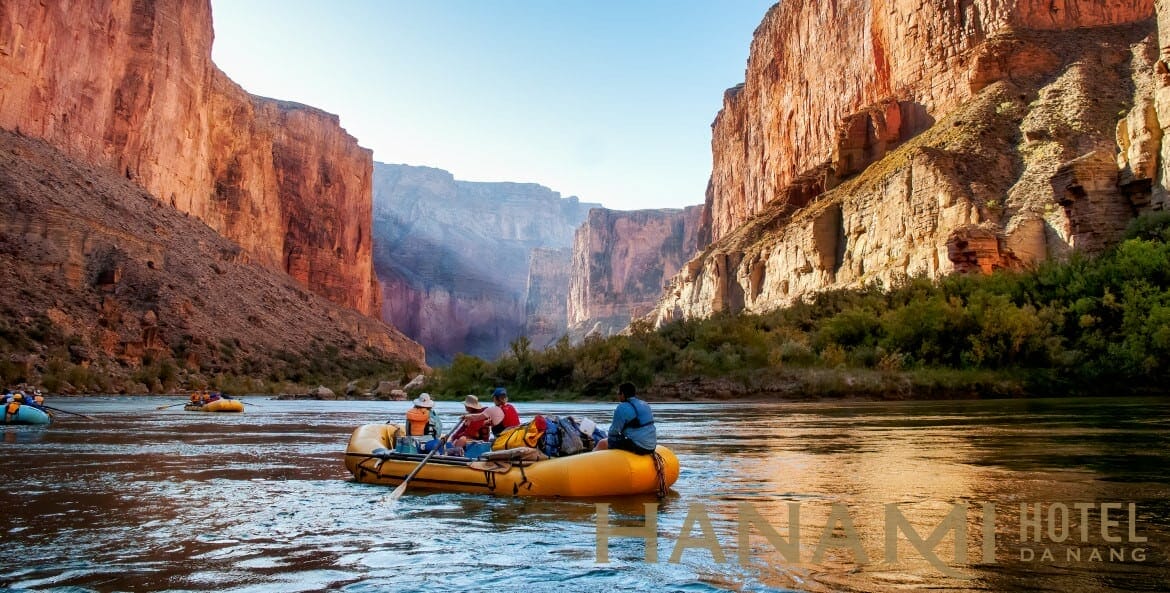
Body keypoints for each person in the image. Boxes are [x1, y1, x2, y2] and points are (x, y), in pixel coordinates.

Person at [594, 382, 656, 454]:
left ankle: (593, 457)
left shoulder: (622, 407)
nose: (618, 396)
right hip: (652, 446)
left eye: (619, 393)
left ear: (622, 394)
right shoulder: (645, 404)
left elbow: (613, 432)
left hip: (639, 448)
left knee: (604, 442)